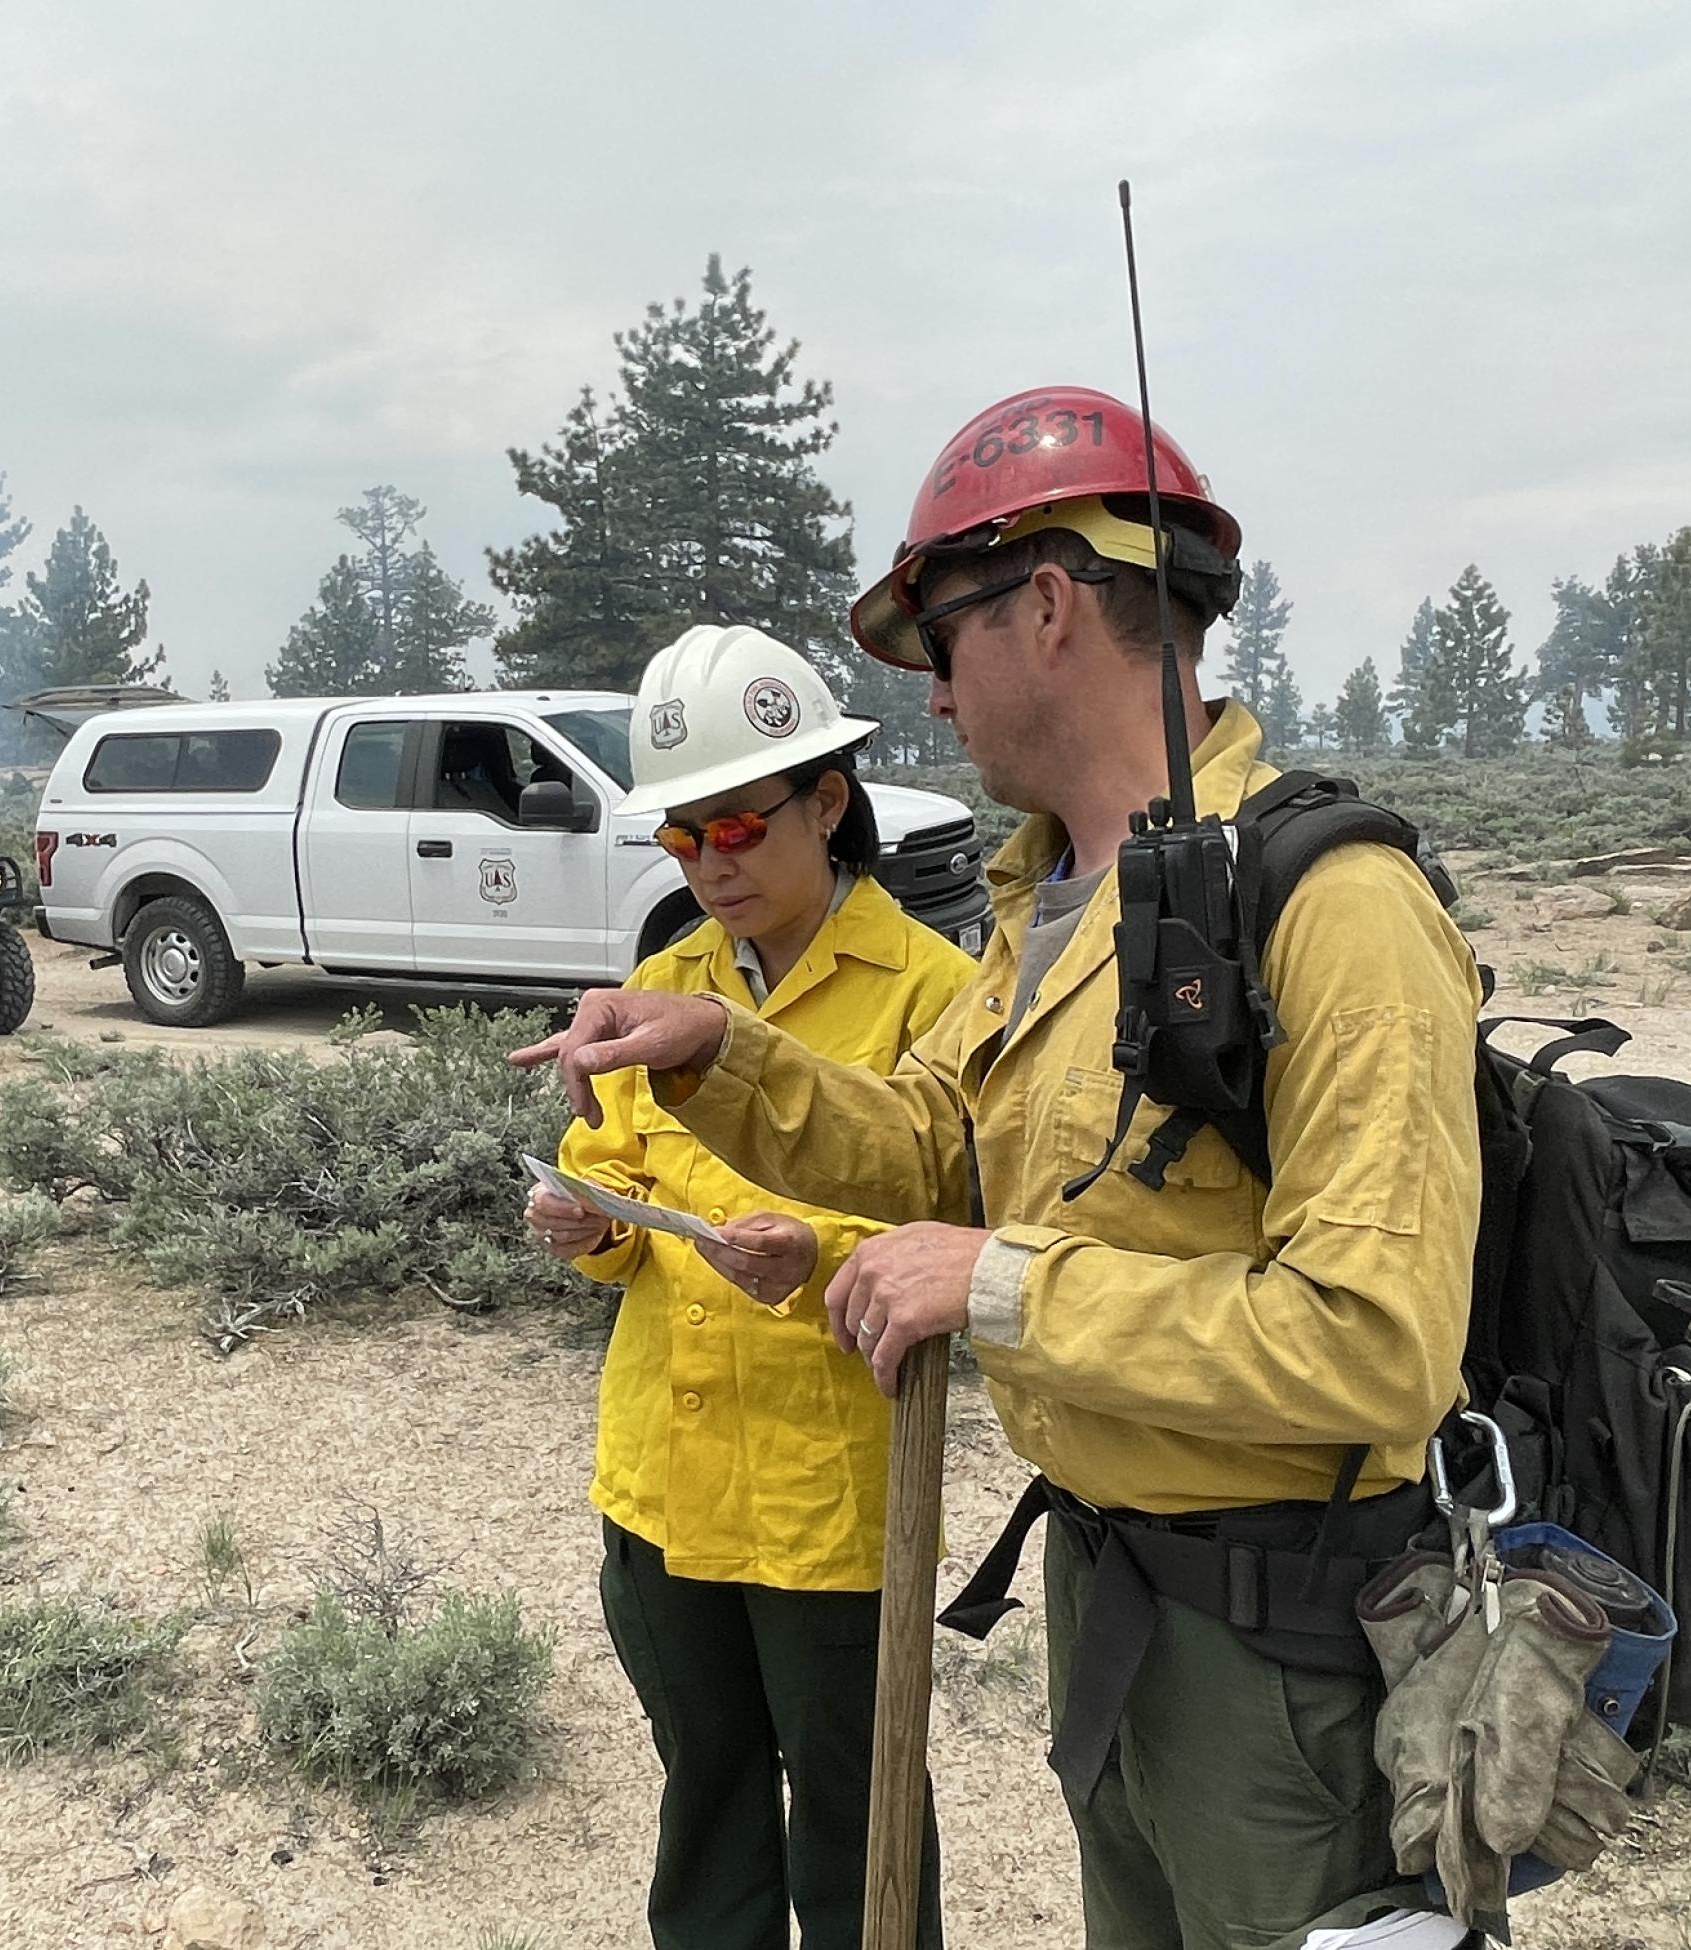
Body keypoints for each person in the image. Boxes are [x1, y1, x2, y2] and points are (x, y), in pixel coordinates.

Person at [516, 390, 1485, 1950]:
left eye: (939, 645)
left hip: (1285, 1653)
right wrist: (717, 1047)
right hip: (1119, 1603)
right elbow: (929, 1147)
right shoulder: (1052, 905)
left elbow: (1376, 1343)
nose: (936, 706)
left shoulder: (1332, 905)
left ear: (1045, 606)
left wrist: (997, 1283)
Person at [526, 624, 973, 1950]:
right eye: (680, 838)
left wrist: (818, 1262)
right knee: (708, 1789)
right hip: (664, 1485)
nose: (710, 863)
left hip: (829, 1502)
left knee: (858, 1810)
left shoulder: (938, 995)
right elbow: (612, 1172)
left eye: (734, 825)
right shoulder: (662, 988)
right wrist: (585, 1226)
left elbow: (960, 1223)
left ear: (828, 800)